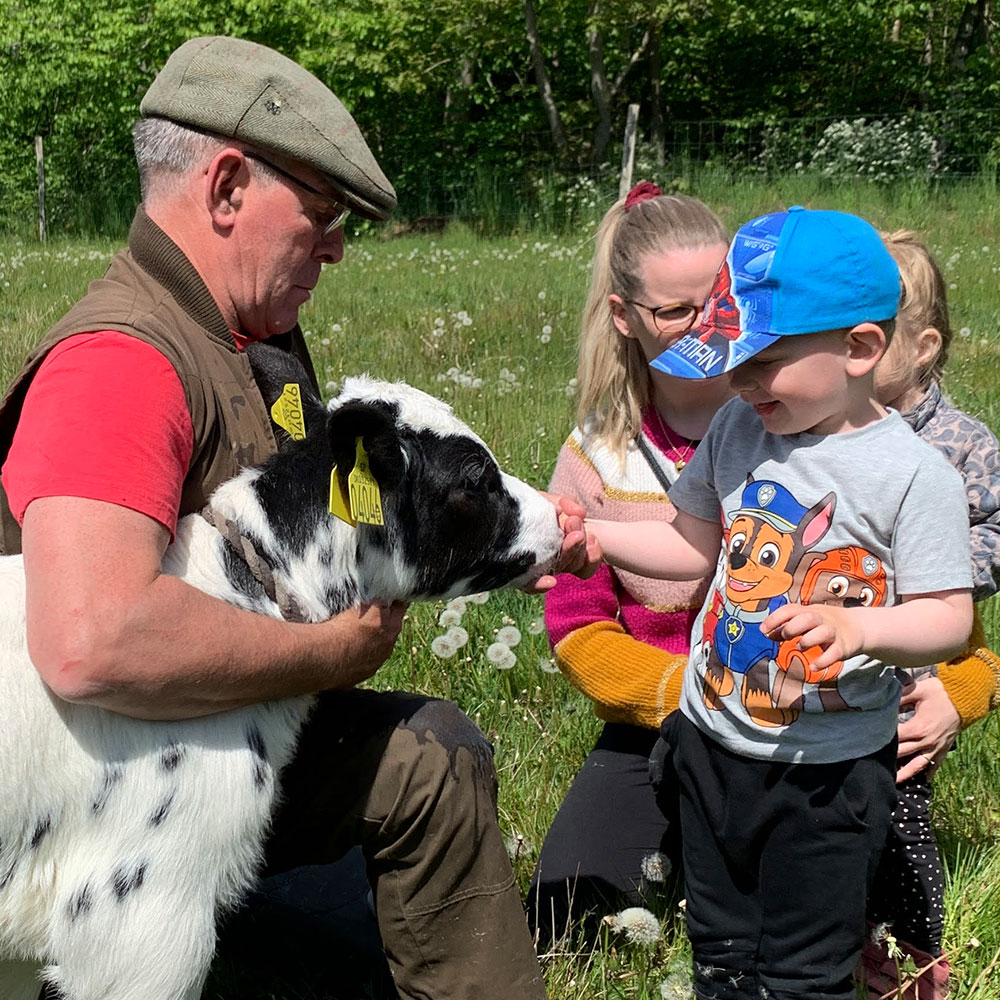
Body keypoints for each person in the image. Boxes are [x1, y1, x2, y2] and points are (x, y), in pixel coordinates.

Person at [0, 36, 594, 1000]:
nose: (337, 245)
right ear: (227, 185)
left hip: (196, 743)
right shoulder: (122, 363)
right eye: (319, 213)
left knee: (429, 759)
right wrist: (331, 655)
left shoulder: (245, 338)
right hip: (113, 780)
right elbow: (89, 638)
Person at [580, 207, 974, 1000]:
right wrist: (592, 536)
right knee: (721, 946)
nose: (741, 379)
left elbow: (948, 618)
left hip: (826, 776)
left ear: (860, 349)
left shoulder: (912, 475)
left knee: (805, 964)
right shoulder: (737, 428)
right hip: (713, 740)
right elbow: (691, 547)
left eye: (765, 359)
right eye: (732, 358)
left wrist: (858, 625)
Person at [528, 182, 731, 944]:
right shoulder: (595, 457)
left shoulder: (787, 414)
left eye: (718, 299)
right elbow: (576, 625)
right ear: (623, 317)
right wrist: (673, 693)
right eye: (676, 312)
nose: (705, 325)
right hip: (657, 715)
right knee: (562, 915)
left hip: (787, 715)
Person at [860, 230, 1000, 997]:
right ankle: (842, 937)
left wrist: (936, 568)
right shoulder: (825, 430)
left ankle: (916, 957)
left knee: (902, 814)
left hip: (913, 677)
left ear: (922, 346)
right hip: (834, 666)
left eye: (870, 341)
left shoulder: (962, 446)